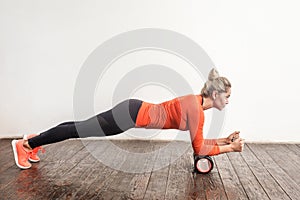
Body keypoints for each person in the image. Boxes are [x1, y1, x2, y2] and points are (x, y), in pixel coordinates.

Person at [11, 68, 244, 169]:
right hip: (129, 116)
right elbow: (200, 149)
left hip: (132, 111)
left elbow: (200, 142)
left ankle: (36, 140)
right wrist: (231, 149)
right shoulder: (196, 111)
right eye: (228, 96)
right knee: (77, 130)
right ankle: (27, 145)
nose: (229, 100)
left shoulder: (196, 105)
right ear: (215, 94)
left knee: (78, 127)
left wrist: (225, 140)